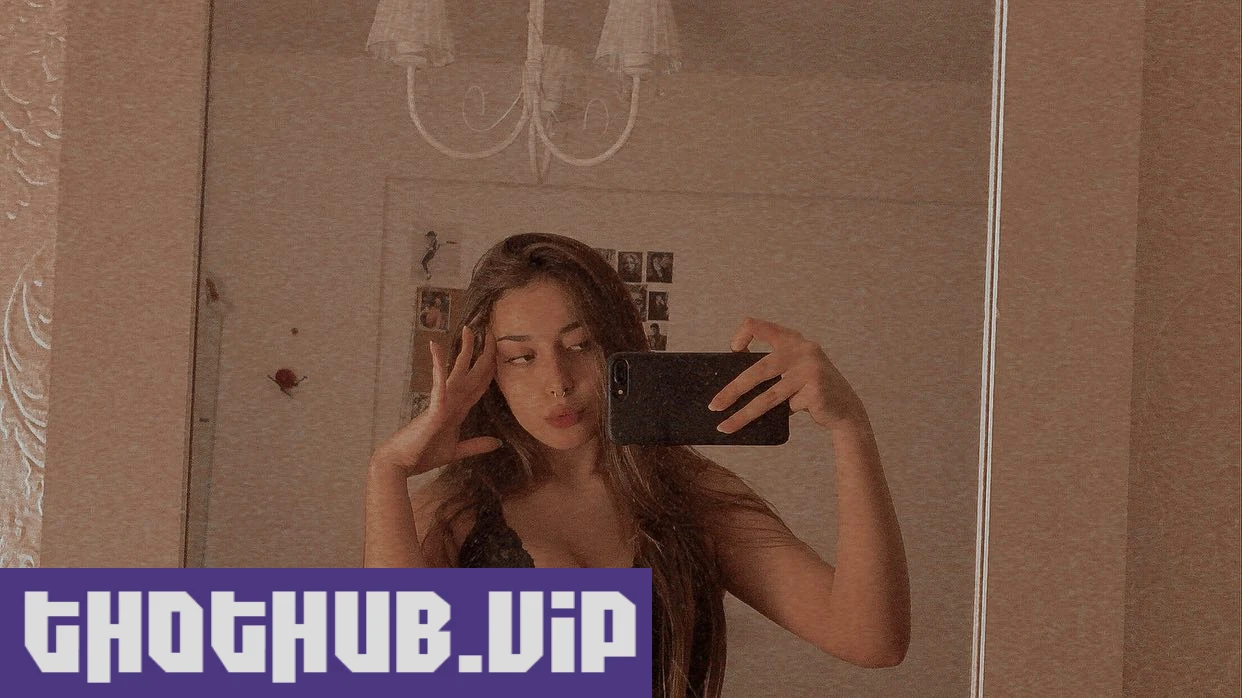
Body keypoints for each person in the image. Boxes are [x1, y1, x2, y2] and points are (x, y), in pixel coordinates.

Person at [365, 233, 909, 697]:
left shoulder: (692, 496)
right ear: (488, 371)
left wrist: (850, 428)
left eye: (582, 345)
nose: (558, 382)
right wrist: (387, 471)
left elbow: (871, 639)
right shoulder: (455, 514)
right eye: (522, 357)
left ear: (619, 347)